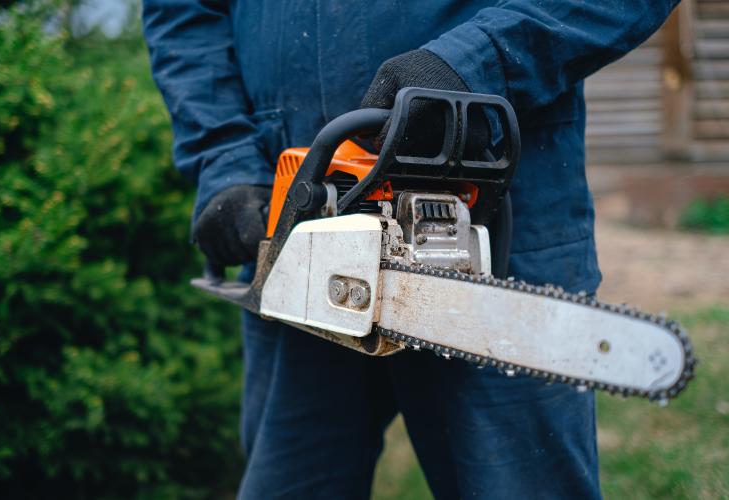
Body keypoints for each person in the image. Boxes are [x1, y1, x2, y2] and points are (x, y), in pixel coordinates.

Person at [143, 2, 676, 498]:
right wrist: (225, 157)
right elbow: (184, 11)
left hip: (493, 209)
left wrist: (479, 61)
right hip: (294, 227)